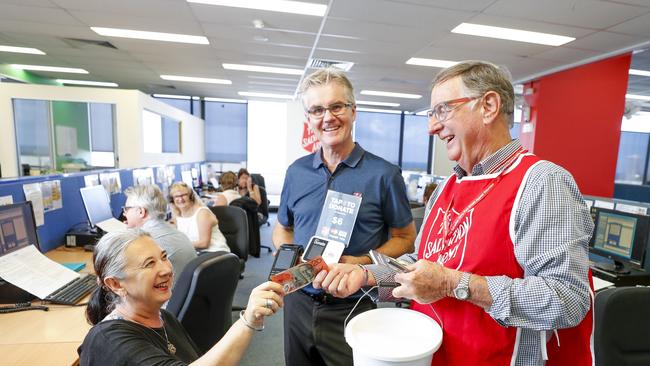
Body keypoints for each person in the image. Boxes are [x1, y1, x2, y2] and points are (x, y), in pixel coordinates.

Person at [314, 61, 595, 366]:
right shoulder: (448, 187)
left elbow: (568, 299)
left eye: (443, 110)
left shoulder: (542, 183)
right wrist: (366, 274)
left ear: (488, 106)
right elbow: (421, 265)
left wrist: (453, 284)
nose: (431, 127)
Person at [273, 67, 417, 366]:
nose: (327, 117)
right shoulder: (296, 172)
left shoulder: (384, 175)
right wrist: (291, 258)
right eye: (317, 110)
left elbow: (405, 239)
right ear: (309, 119)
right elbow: (282, 228)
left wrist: (359, 262)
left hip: (354, 306)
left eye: (337, 106)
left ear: (353, 111)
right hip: (298, 301)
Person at [78, 229, 284, 365]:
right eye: (149, 263)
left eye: (164, 257)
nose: (166, 269)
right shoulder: (110, 341)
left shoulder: (162, 318)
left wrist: (251, 319)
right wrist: (248, 320)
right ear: (115, 284)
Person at [123, 184, 196, 287]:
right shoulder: (177, 232)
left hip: (165, 299)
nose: (124, 214)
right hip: (186, 297)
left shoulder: (144, 243)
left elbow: (129, 281)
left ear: (141, 211)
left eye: (126, 209)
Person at [168, 182, 230, 253]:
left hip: (214, 252)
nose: (180, 199)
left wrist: (180, 245)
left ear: (191, 196)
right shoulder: (177, 217)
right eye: (177, 196)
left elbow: (204, 243)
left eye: (183, 195)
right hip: (196, 253)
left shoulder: (202, 213)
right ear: (172, 200)